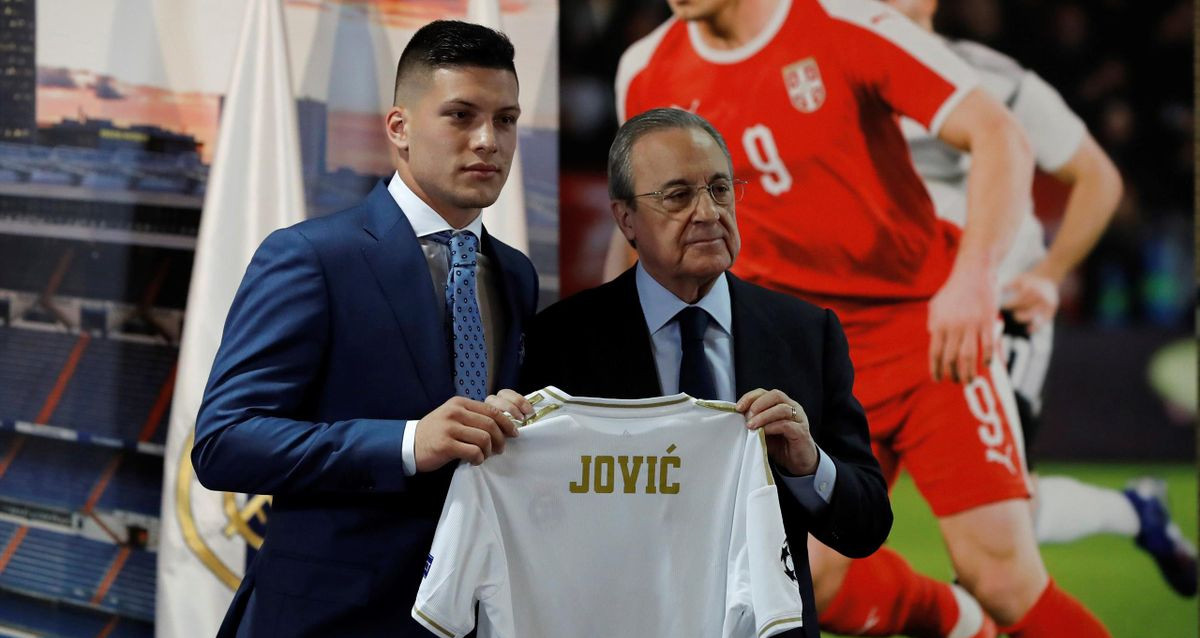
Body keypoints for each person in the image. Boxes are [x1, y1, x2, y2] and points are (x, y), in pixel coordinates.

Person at [612, 0, 1111, 636]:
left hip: (927, 335)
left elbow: (999, 135)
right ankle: (958, 621)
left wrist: (974, 279)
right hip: (807, 361)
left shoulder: (844, 23)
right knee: (809, 576)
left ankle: (978, 608)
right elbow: (641, 223)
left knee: (1002, 577)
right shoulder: (647, 69)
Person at [190, 20, 538, 637]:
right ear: (399, 128)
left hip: (469, 615)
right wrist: (407, 442)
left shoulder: (514, 274)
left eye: (505, 119)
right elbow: (225, 441)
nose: (488, 141)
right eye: (461, 115)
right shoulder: (310, 256)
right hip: (326, 617)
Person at [507, 107, 892, 638]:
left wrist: (809, 466)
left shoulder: (807, 333)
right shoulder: (563, 341)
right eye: (678, 196)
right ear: (625, 220)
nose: (709, 212)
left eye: (720, 189)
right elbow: (535, 523)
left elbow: (868, 525)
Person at [887, 0, 1197, 598]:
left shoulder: (990, 77)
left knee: (997, 524)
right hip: (902, 317)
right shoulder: (839, 82)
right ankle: (1137, 511)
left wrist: (1049, 275)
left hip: (999, 310)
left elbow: (1098, 177)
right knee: (998, 517)